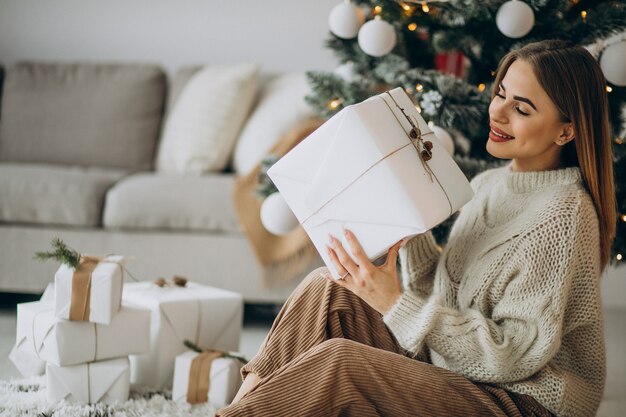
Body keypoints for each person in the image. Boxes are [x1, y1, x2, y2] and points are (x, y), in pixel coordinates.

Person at [216, 39, 616, 417]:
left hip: (521, 400)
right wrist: (409, 227)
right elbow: (444, 294)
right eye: (501, 94)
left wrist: (393, 302)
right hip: (463, 369)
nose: (498, 112)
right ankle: (236, 410)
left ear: (566, 130)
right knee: (328, 285)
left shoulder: (564, 214)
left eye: (522, 109)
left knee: (340, 363)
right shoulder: (488, 185)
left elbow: (512, 354)